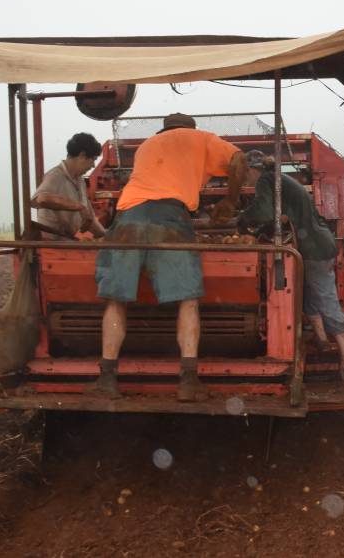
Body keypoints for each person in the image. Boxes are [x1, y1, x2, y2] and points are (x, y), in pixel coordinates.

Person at [87, 113, 248, 401]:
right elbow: (239, 161)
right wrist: (230, 201)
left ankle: (107, 379)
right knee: (187, 300)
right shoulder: (202, 139)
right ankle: (188, 381)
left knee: (116, 300)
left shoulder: (148, 145)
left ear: (165, 130)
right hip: (170, 219)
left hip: (128, 220)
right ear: (190, 129)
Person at [237, 150, 344, 384]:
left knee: (325, 298)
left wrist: (243, 219)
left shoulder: (266, 180)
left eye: (245, 173)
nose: (246, 178)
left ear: (253, 169)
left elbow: (264, 211)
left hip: (314, 248)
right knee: (308, 294)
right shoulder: (281, 180)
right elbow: (282, 216)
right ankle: (322, 339)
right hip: (314, 244)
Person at [30, 132, 106, 238]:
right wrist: (78, 207)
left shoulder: (80, 181)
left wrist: (108, 237)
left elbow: (90, 220)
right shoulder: (55, 175)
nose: (93, 165)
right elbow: (41, 199)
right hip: (50, 244)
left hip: (67, 241)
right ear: (82, 155)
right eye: (93, 159)